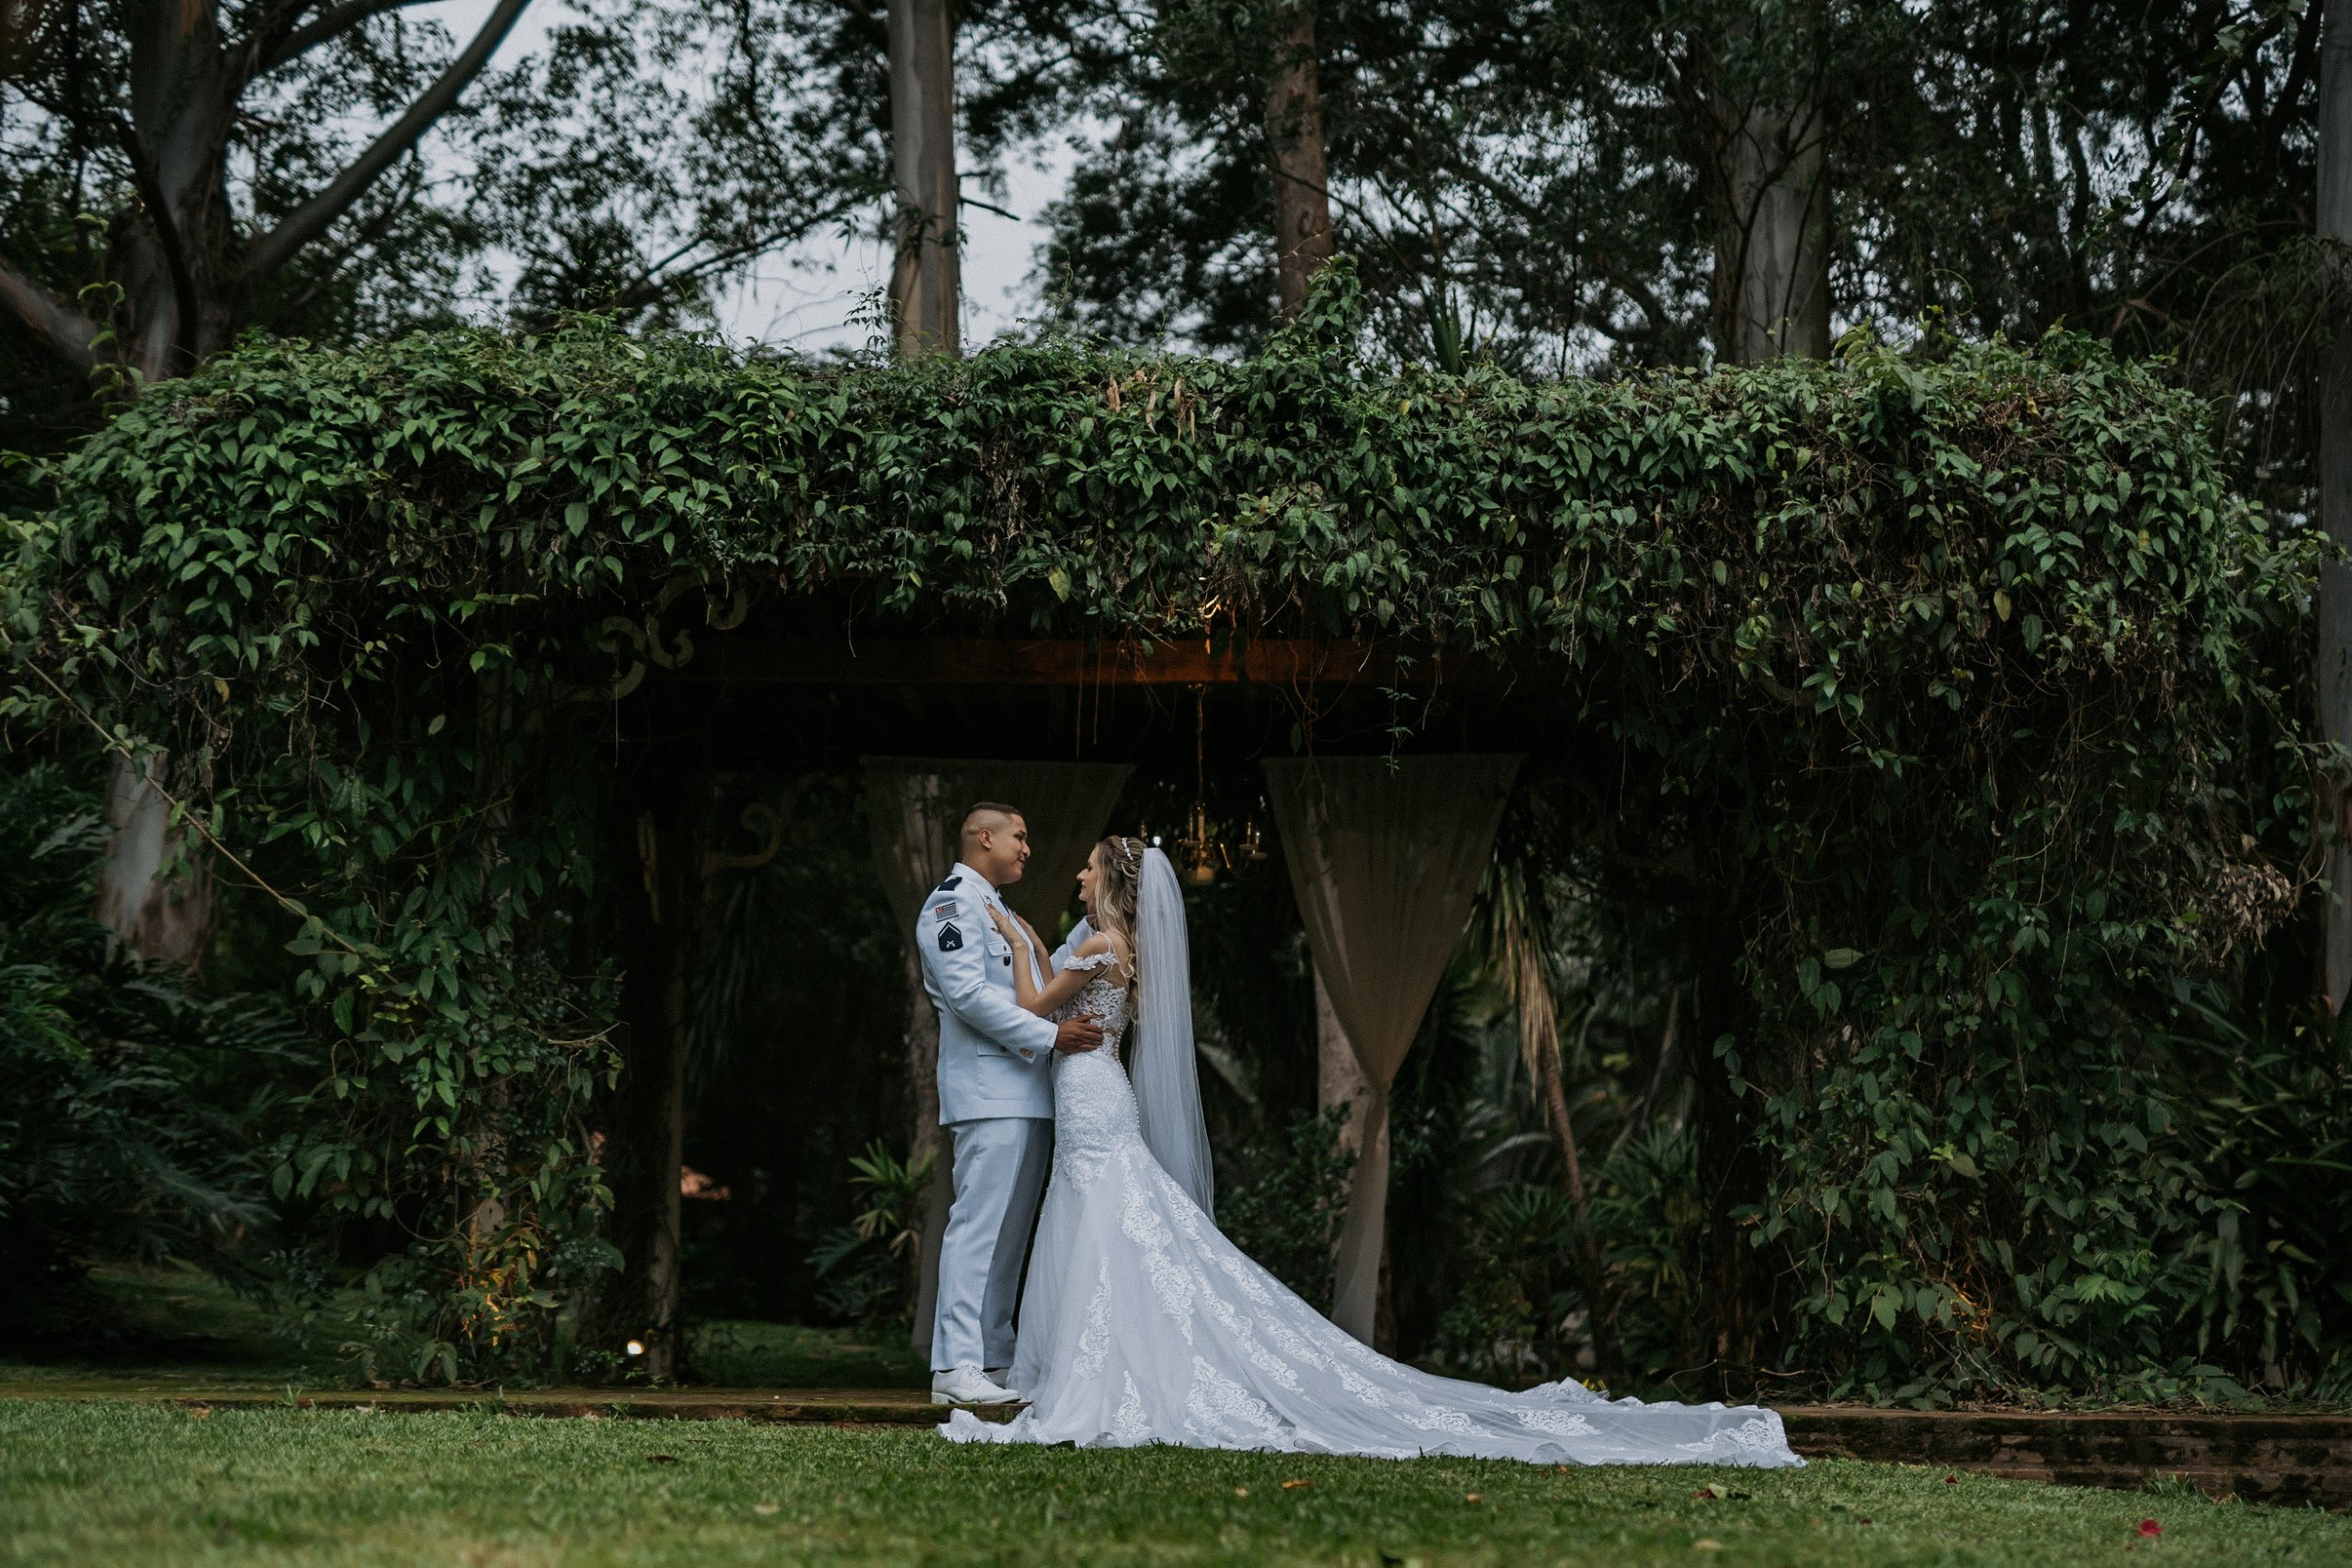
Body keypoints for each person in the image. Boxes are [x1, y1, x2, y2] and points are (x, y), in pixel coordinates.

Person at [944, 836, 1803, 1467]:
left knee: (1107, 1229)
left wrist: (1019, 940)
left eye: (1090, 865)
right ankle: (1085, 1361)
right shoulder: (1115, 945)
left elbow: (1031, 998)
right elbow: (1056, 1013)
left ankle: (1099, 1375)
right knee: (1117, 1233)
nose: (1078, 871)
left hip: (1093, 1100)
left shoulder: (1100, 942)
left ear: (1113, 882)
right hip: (1094, 1094)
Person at [917, 803, 1104, 1407]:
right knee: (977, 1227)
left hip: (1029, 1091)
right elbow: (969, 996)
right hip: (988, 1090)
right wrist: (1053, 1037)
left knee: (1009, 1235)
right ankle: (954, 1366)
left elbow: (1043, 979)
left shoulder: (1000, 910)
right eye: (1019, 837)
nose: (1027, 848)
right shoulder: (951, 905)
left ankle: (992, 1357)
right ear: (985, 837)